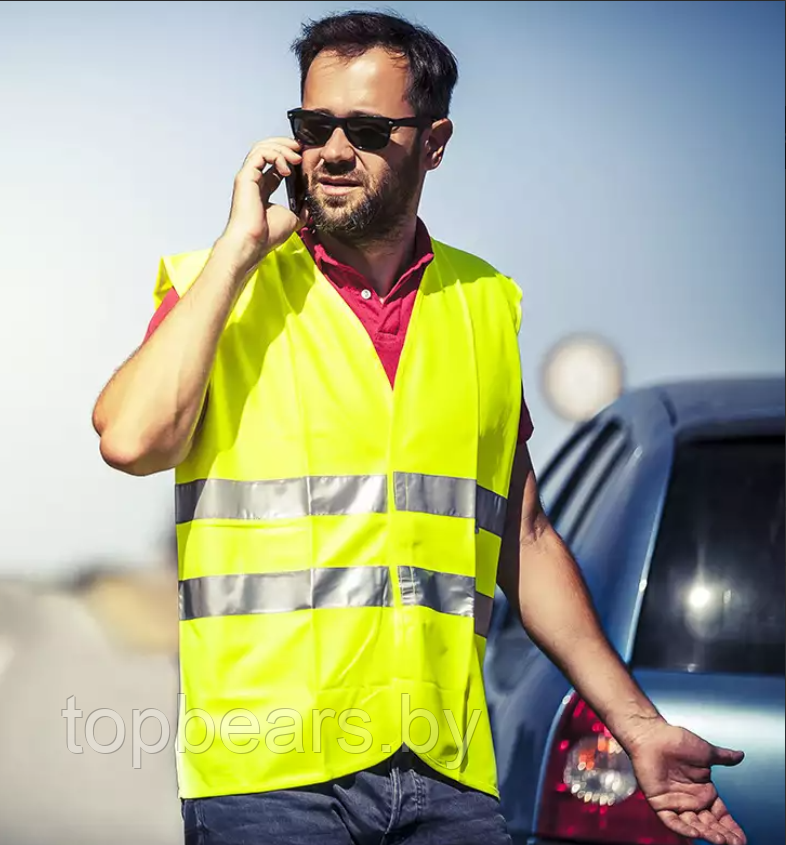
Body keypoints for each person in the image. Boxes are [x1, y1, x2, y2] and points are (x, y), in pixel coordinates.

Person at [91, 10, 746, 845]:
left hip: (447, 780)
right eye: (312, 125)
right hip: (267, 779)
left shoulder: (482, 304)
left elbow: (526, 537)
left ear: (433, 143)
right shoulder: (225, 282)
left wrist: (639, 725)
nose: (332, 150)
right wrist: (237, 247)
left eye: (365, 129)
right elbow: (131, 439)